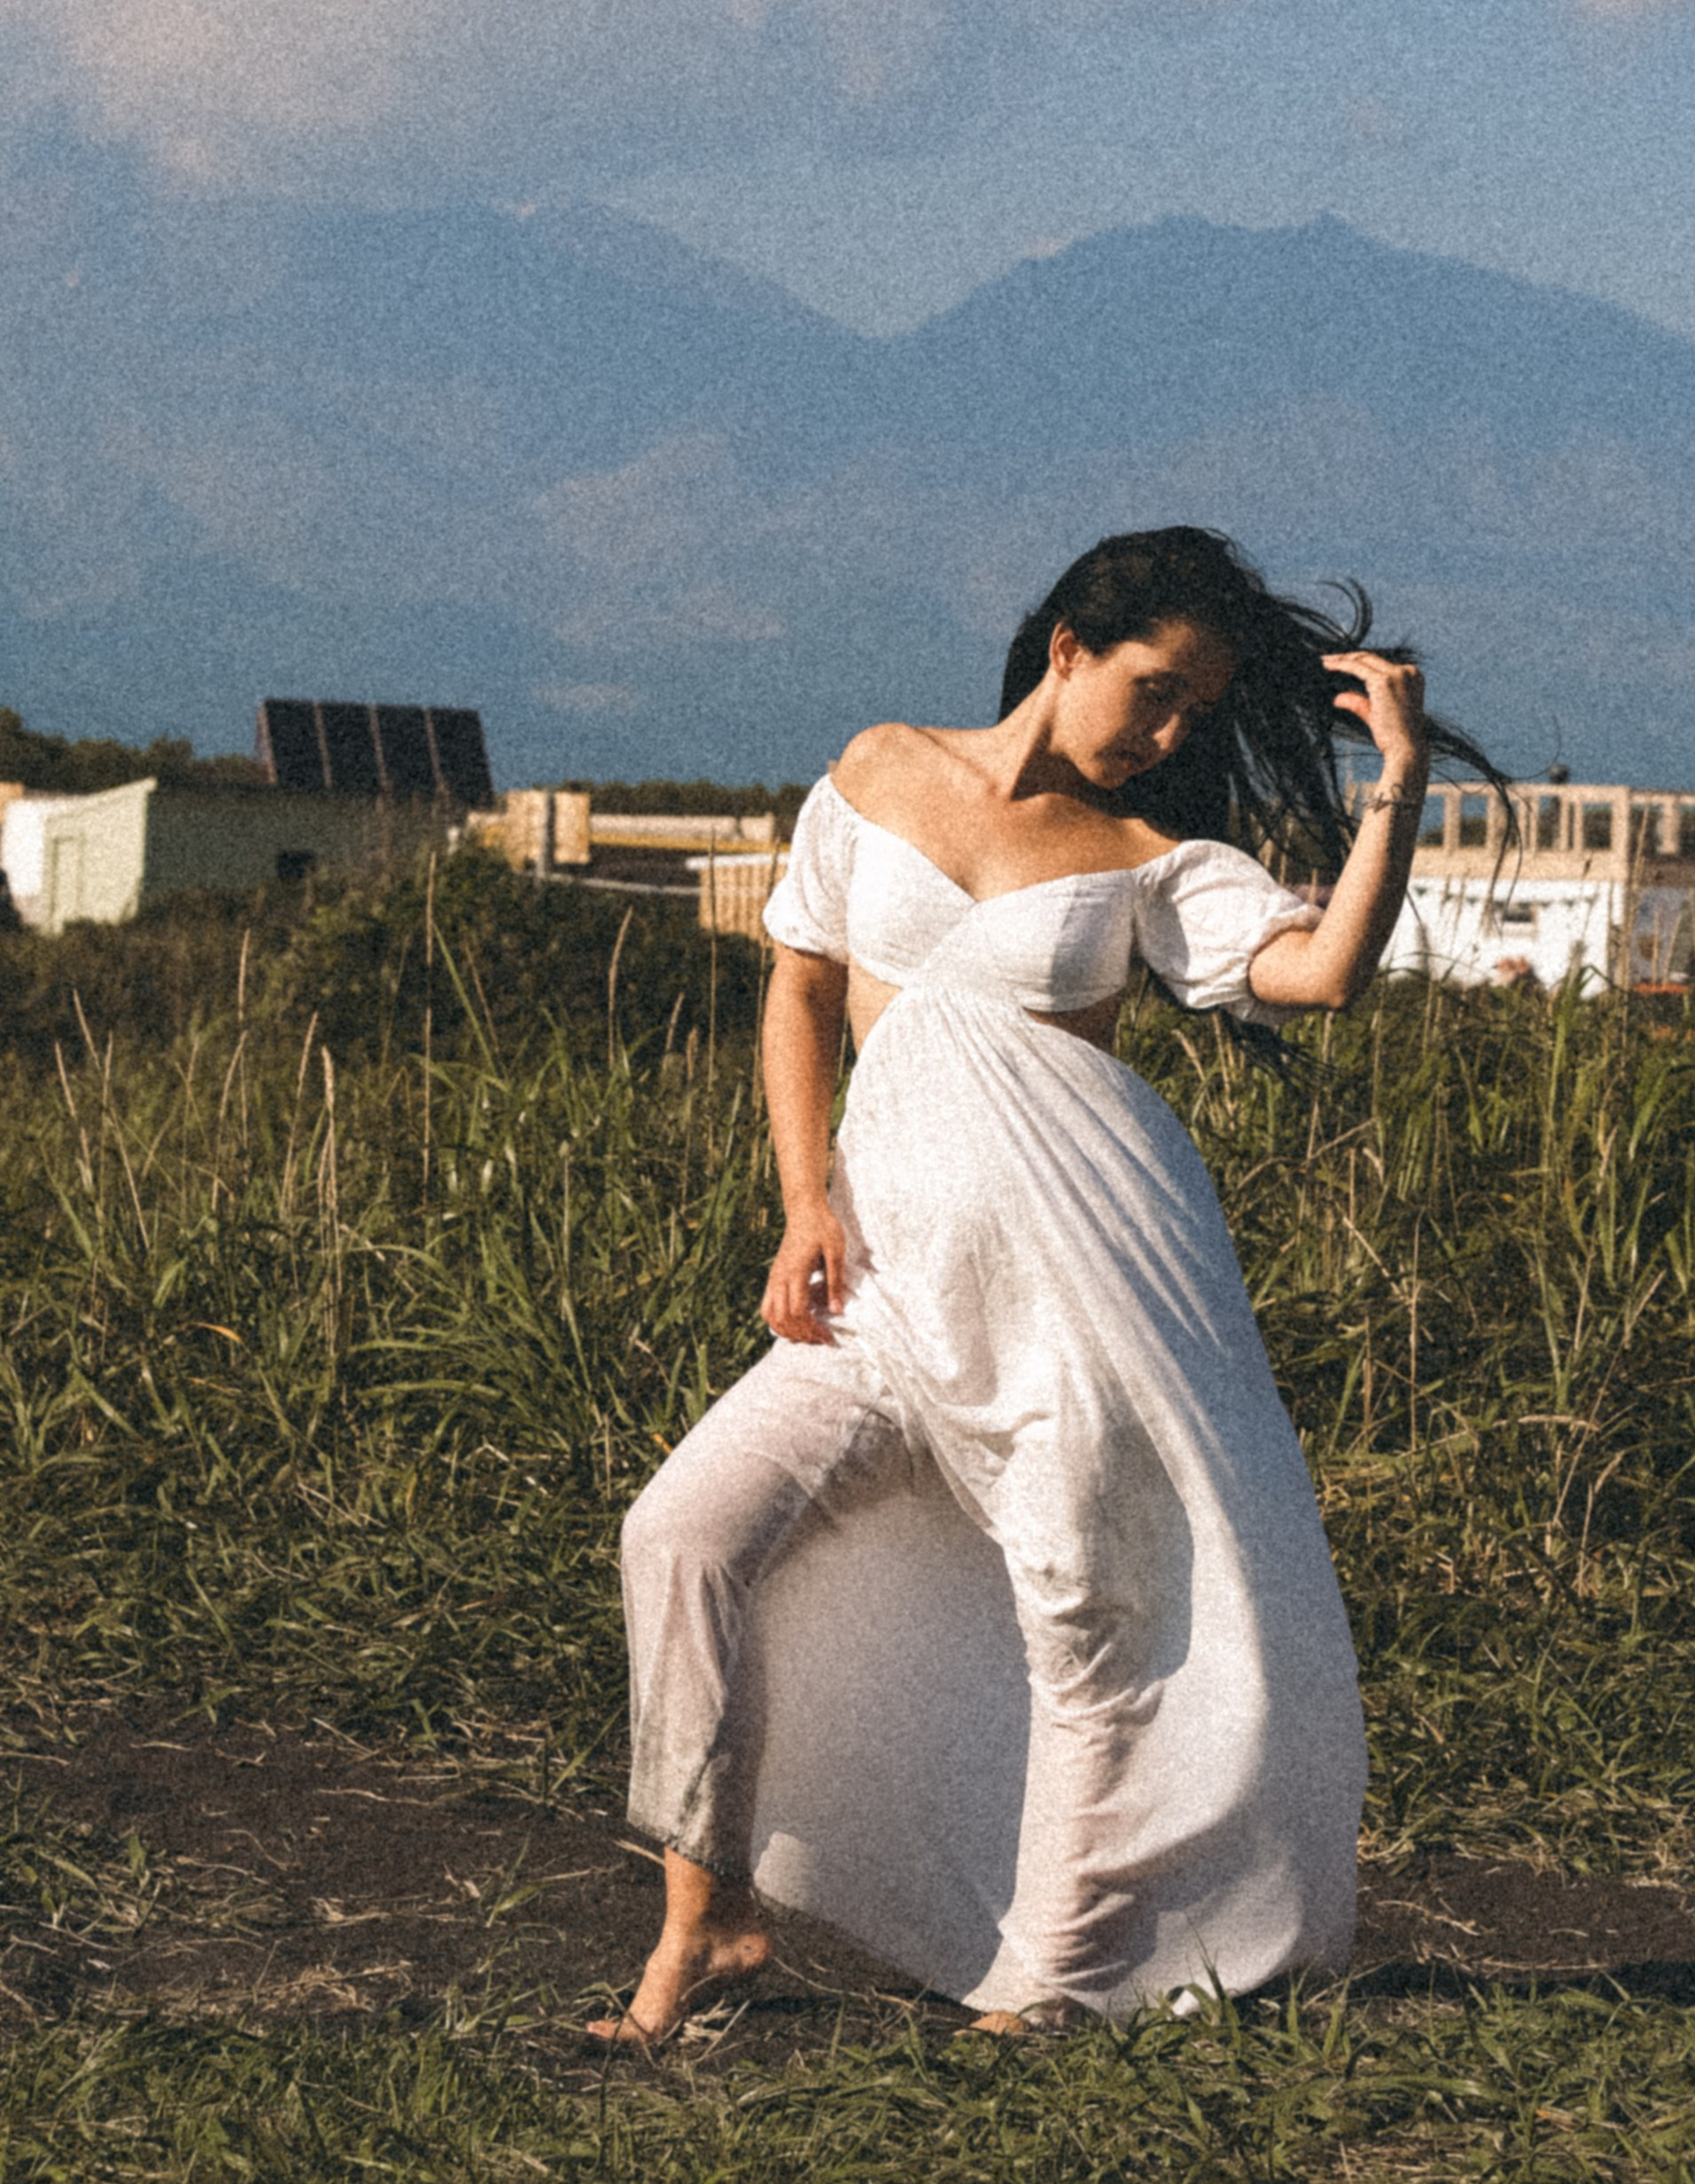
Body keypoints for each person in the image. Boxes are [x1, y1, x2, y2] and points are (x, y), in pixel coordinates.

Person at [592, 524, 1501, 2041]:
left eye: (1193, 720)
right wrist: (802, 1201)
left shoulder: (1155, 863)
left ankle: (1053, 1980)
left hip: (1072, 1311)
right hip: (880, 1296)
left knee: (1090, 1621)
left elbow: (1326, 975)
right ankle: (713, 1918)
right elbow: (801, 984)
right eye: (1151, 691)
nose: (1164, 736)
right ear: (1069, 645)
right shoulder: (878, 769)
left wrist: (1397, 777)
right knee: (681, 1536)